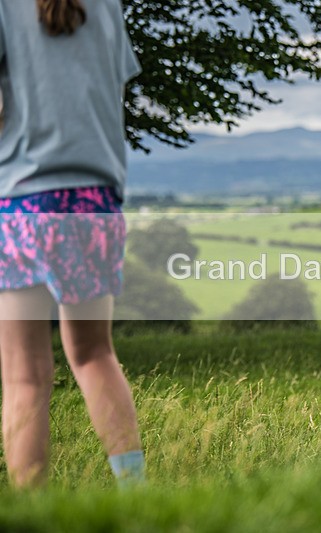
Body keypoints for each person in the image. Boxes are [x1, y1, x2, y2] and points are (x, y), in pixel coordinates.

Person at [0, 0, 144, 487]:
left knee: (24, 375)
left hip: (22, 203)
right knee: (93, 354)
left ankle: (33, 512)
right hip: (93, 202)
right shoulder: (104, 5)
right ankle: (135, 493)